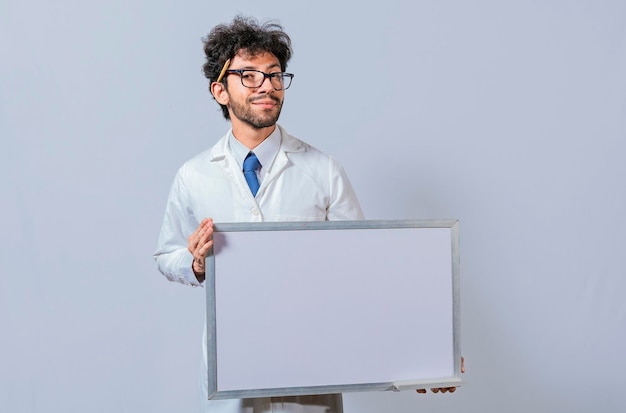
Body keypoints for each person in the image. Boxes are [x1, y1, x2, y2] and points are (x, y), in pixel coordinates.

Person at [153, 15, 363, 413]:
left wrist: (423, 354)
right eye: (249, 76)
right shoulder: (194, 174)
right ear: (220, 90)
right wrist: (196, 263)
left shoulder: (323, 169)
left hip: (309, 365)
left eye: (275, 75)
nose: (267, 85)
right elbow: (167, 256)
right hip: (231, 371)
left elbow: (363, 268)